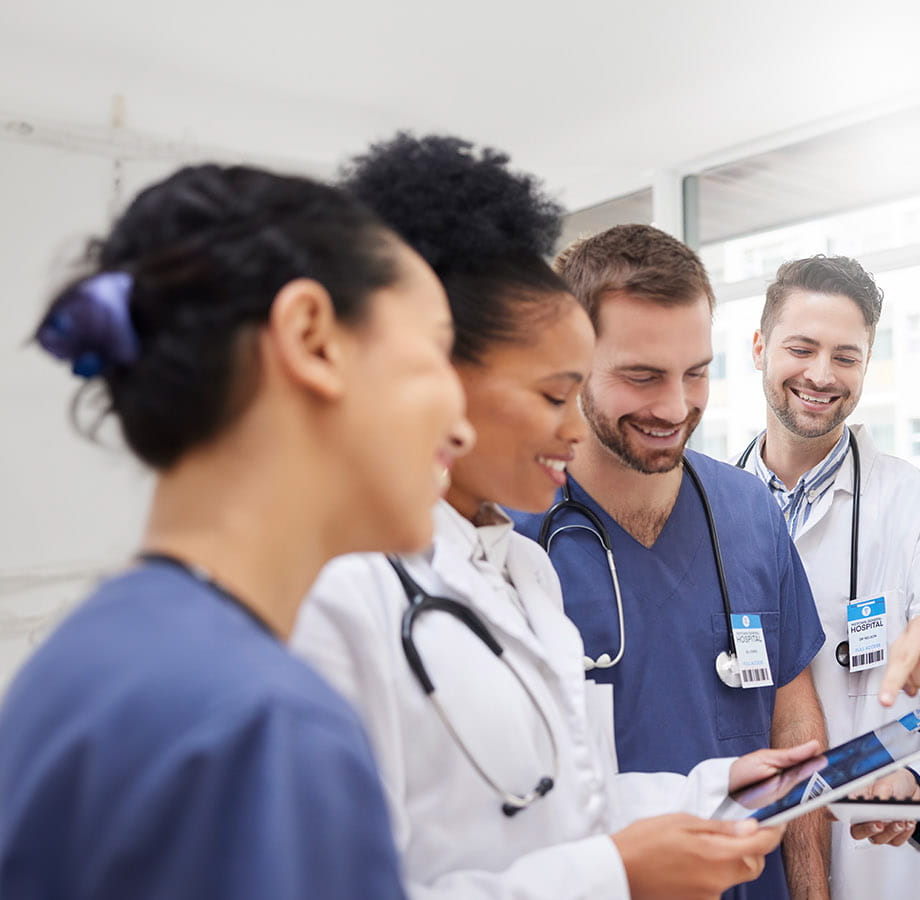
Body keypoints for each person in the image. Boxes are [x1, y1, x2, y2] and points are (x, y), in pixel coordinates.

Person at [290, 134, 807, 900]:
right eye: (553, 393)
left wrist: (707, 790)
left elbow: (563, 805)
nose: (573, 429)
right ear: (441, 379)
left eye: (696, 373)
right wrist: (614, 874)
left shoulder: (523, 571)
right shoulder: (338, 595)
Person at [0, 165, 475, 899]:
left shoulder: (88, 657)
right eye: (439, 351)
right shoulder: (261, 727)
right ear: (311, 338)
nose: (463, 427)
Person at [508, 224, 830, 900]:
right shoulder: (514, 532)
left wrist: (811, 891)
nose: (676, 407)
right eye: (642, 376)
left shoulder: (749, 510)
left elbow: (792, 716)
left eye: (696, 373)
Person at [737, 255, 920, 899]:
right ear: (758, 348)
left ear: (867, 363)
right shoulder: (710, 507)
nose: (820, 375)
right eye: (801, 349)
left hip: (875, 842)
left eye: (846, 356)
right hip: (749, 838)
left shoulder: (918, 506)